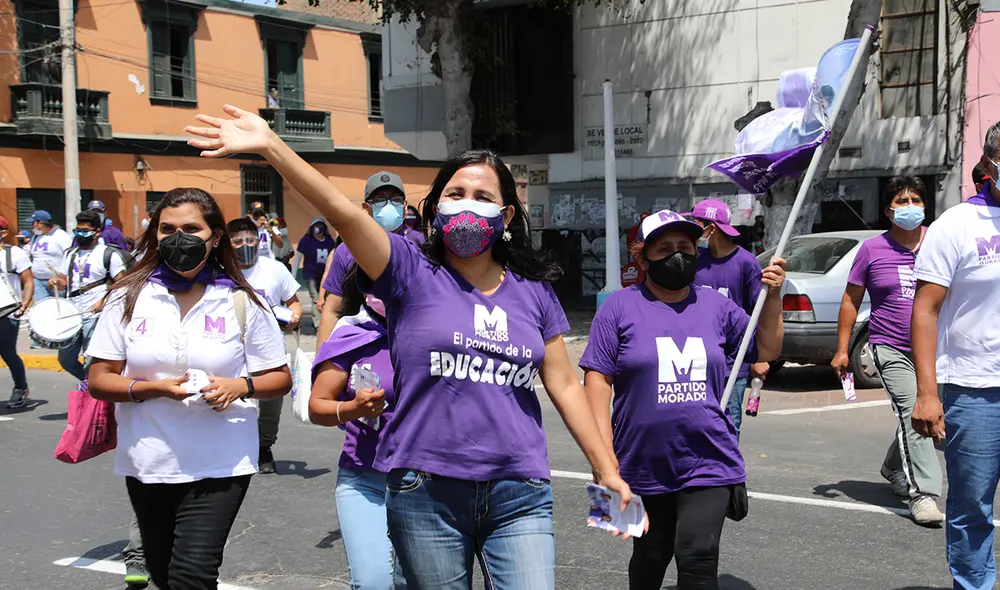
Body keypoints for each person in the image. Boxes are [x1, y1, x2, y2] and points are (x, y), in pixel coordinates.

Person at [187, 105, 633, 589]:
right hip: (425, 489)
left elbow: (565, 385)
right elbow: (342, 211)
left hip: (520, 490)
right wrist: (272, 146)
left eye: (483, 196)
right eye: (455, 194)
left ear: (505, 215)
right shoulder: (408, 268)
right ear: (436, 206)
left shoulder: (533, 289)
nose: (467, 204)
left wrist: (606, 468)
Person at [86, 187, 291, 590]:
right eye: (167, 229)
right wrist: (153, 389)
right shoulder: (127, 296)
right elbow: (99, 378)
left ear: (215, 236)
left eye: (192, 228)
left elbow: (279, 377)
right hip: (148, 460)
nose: (178, 238)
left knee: (191, 576)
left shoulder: (242, 300)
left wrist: (240, 386)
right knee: (162, 572)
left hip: (222, 461)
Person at [581, 210, 786, 590]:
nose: (677, 255)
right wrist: (602, 459)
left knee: (698, 554)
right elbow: (597, 380)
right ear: (642, 259)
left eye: (685, 247)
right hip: (639, 460)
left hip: (710, 457)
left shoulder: (716, 306)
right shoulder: (618, 307)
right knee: (650, 555)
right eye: (664, 249)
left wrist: (773, 297)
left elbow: (768, 348)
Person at [911, 127, 1000, 590]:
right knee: (972, 508)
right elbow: (925, 310)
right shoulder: (957, 225)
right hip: (976, 390)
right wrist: (928, 393)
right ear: (989, 162)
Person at [832, 174, 943, 526]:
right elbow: (851, 300)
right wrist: (842, 349)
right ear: (888, 211)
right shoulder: (872, 250)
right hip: (890, 346)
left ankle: (894, 465)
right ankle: (923, 493)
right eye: (901, 201)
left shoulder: (940, 242)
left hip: (935, 349)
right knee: (913, 410)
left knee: (928, 414)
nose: (910, 207)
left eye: (916, 200)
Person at [310, 265, 397, 589]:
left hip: (428, 482)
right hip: (363, 479)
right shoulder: (350, 335)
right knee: (373, 582)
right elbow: (318, 406)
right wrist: (353, 409)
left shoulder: (436, 335)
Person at [687, 199, 769, 439]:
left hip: (732, 364)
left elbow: (758, 312)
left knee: (728, 429)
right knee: (697, 426)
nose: (692, 232)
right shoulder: (694, 262)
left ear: (711, 229)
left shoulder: (746, 263)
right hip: (696, 361)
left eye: (696, 225)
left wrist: (759, 357)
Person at [228, 217, 302, 474]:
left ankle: (264, 447)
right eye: (237, 242)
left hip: (269, 349)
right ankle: (235, 447)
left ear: (258, 241)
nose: (244, 245)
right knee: (236, 400)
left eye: (249, 240)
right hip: (232, 349)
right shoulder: (220, 270)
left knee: (271, 404)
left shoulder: (275, 269)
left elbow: (293, 302)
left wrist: (294, 317)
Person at [316, 171, 424, 345]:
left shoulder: (421, 244)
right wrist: (322, 356)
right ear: (366, 208)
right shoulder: (348, 249)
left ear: (405, 206)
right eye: (380, 199)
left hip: (412, 342)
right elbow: (333, 310)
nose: (389, 205)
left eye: (395, 199)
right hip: (364, 344)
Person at [48, 210, 127, 382]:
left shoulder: (108, 254)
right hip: (72, 313)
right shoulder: (70, 253)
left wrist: (104, 301)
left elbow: (122, 283)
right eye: (78, 231)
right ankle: (90, 384)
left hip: (95, 314)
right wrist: (56, 282)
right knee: (66, 359)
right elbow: (64, 281)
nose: (80, 235)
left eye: (85, 231)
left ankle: (93, 392)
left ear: (97, 232)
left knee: (90, 360)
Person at [0, 216, 34, 409]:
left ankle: (20, 387)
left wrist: (24, 304)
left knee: (7, 353)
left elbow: (28, 280)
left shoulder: (14, 254)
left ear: (3, 233)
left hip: (8, 312)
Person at [294, 217, 336, 329]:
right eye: (316, 225)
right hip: (310, 275)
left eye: (320, 225)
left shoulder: (329, 241)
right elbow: (297, 257)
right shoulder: (306, 240)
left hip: (325, 275)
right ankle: (318, 325)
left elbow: (335, 256)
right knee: (316, 298)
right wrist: (293, 275)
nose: (318, 228)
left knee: (325, 299)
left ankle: (325, 321)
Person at [26, 209, 71, 302]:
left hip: (56, 281)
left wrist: (63, 277)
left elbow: (69, 255)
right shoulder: (35, 237)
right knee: (42, 306)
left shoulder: (60, 235)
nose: (32, 226)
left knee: (59, 306)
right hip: (38, 281)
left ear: (41, 223)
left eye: (33, 223)